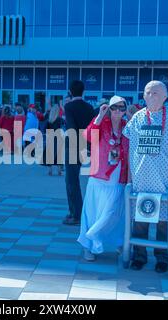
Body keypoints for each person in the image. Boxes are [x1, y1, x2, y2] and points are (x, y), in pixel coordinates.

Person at [122, 80, 168, 273]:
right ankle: (139, 256)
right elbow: (130, 150)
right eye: (148, 93)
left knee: (163, 224)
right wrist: (129, 177)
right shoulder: (137, 118)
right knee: (140, 222)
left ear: (165, 97)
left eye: (156, 93)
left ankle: (162, 258)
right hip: (141, 182)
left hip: (165, 181)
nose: (151, 96)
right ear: (143, 96)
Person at [78, 96, 129, 261]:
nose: (118, 111)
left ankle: (118, 242)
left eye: (122, 108)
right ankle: (88, 246)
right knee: (93, 212)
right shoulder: (102, 123)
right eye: (115, 107)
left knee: (115, 213)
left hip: (118, 177)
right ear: (109, 109)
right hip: (100, 176)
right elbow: (88, 135)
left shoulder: (127, 126)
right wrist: (100, 115)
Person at [63, 80, 95, 225]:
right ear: (84, 91)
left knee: (71, 181)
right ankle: (81, 211)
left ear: (70, 91)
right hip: (87, 147)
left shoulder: (68, 107)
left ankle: (75, 214)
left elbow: (71, 127)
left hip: (73, 147)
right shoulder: (89, 107)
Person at [44, 104, 64, 176]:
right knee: (59, 154)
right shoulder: (60, 119)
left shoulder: (49, 120)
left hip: (50, 138)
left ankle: (50, 170)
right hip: (58, 138)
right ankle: (59, 170)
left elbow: (45, 130)